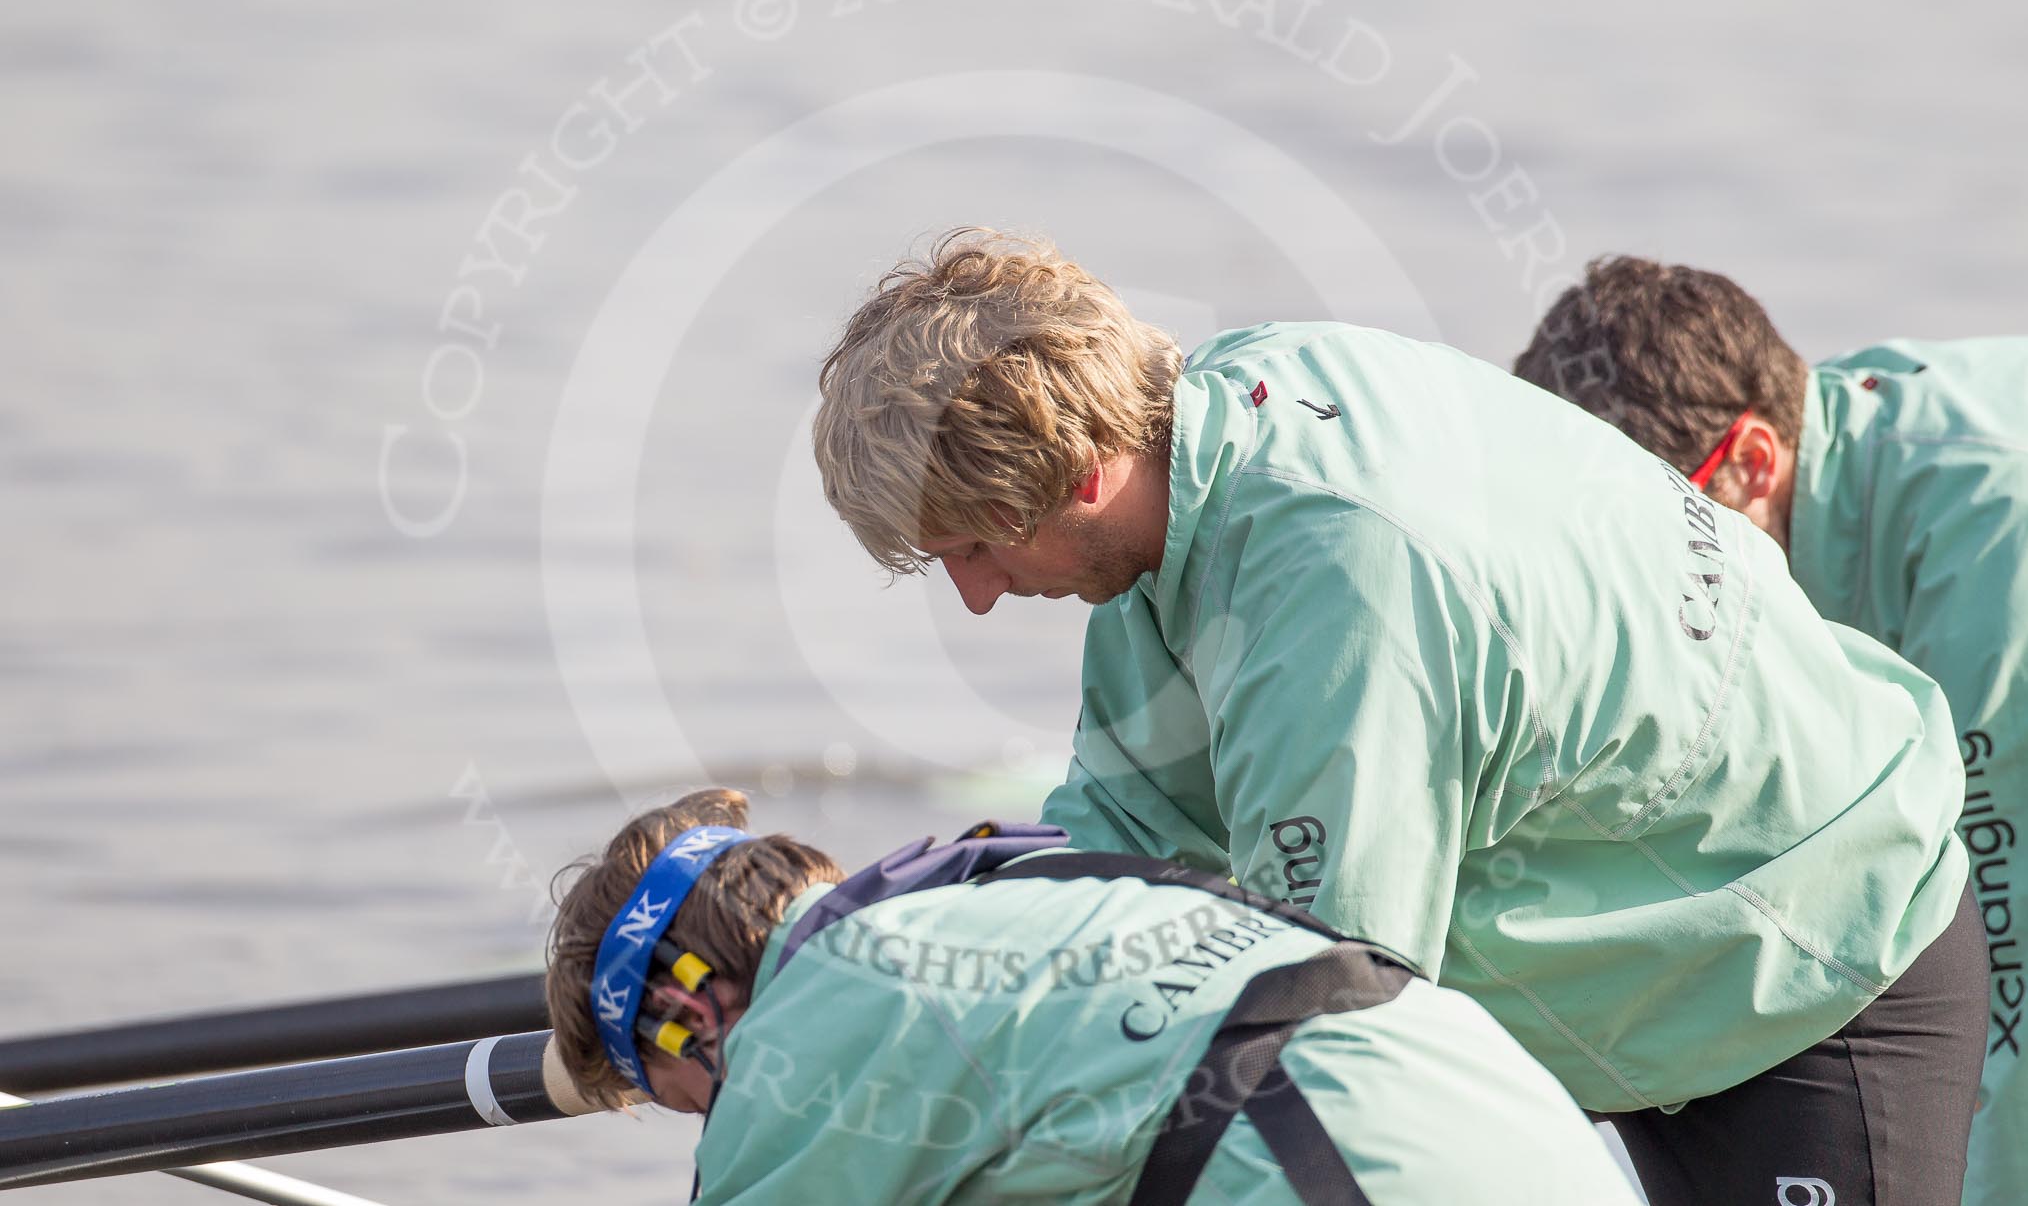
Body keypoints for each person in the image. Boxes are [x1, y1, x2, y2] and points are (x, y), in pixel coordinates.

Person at [810, 228, 1989, 1206]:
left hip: (1818, 948)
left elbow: (1336, 1015)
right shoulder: (1195, 430)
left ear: (1080, 473)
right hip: (1634, 958)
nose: (974, 595)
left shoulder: (1335, 580)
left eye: (974, 547)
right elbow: (1125, 854)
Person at [1513, 254, 2028, 1206]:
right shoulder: (1818, 444)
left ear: (1753, 459)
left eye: (1655, 543)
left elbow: (2012, 967)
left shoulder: (1985, 539)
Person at [544, 788, 1642, 1204]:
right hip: (1533, 1135)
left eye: (696, 1099)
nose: (726, 1113)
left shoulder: (810, 1017)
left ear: (692, 1010)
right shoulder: (1014, 877)